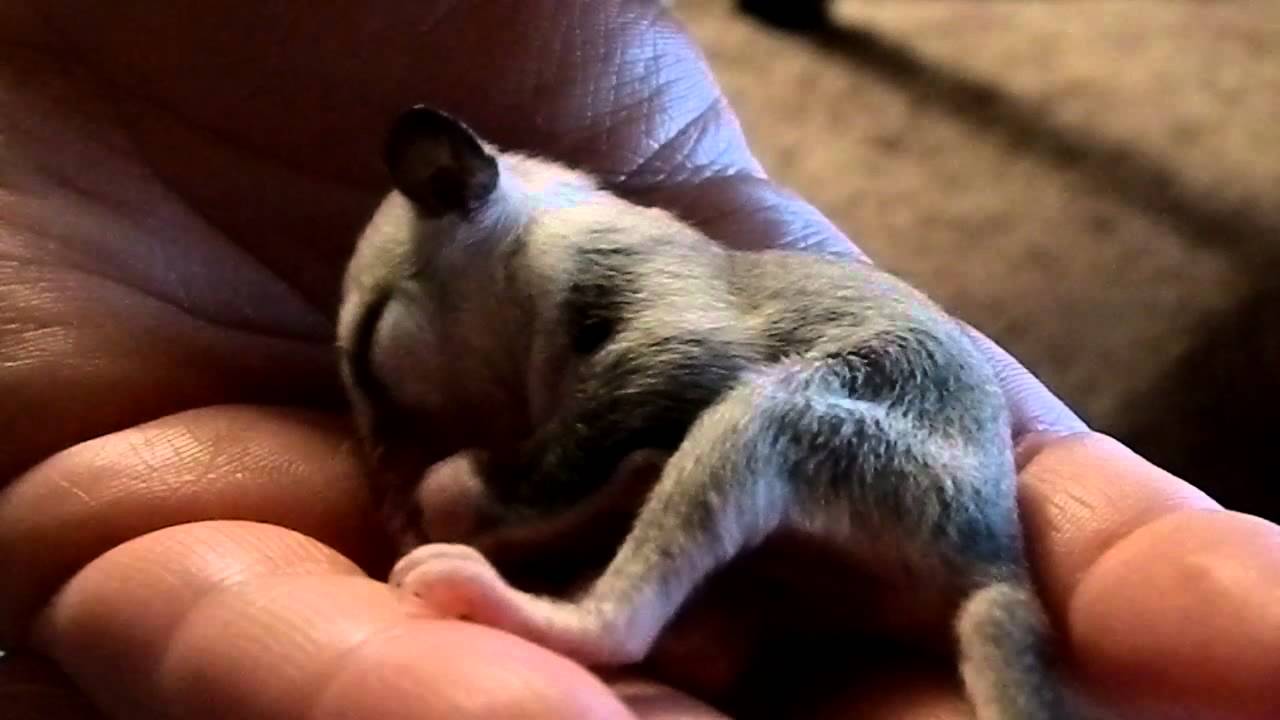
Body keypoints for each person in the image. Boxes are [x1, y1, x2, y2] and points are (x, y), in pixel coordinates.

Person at [0, 2, 1276, 718]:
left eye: (381, 359)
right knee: (714, 469)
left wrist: (504, 493)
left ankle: (613, 619)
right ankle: (719, 620)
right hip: (853, 501)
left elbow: (681, 372)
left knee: (757, 417)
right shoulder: (535, 297)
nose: (386, 407)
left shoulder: (581, 251)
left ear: (454, 196)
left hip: (913, 465)